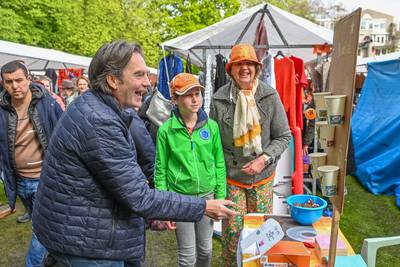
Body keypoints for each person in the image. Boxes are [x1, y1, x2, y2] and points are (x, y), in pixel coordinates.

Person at [32, 40, 237, 267]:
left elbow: (125, 177)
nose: (148, 84)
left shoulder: (100, 108)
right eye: (139, 75)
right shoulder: (99, 121)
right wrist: (203, 206)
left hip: (88, 233)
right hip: (88, 244)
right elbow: (139, 195)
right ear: (113, 80)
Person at [209, 44, 291, 267]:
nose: (244, 68)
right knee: (233, 235)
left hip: (262, 176)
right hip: (232, 177)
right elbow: (214, 144)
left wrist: (264, 159)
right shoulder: (219, 99)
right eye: (239, 64)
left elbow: (283, 136)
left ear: (257, 68)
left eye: (249, 64)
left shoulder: (269, 96)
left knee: (262, 233)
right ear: (231, 70)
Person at [155, 73, 226, 267]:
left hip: (207, 197)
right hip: (180, 199)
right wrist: (165, 205)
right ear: (175, 99)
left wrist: (219, 196)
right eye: (188, 95)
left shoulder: (211, 127)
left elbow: (219, 162)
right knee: (187, 257)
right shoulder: (166, 130)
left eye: (198, 93)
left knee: (206, 250)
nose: (195, 99)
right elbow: (160, 170)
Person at [0, 60, 63, 266]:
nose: (15, 86)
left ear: (29, 79)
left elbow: (63, 135)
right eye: (9, 82)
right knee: (46, 226)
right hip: (18, 181)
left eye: (19, 80)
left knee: (40, 228)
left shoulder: (48, 102)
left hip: (45, 179)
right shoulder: (1, 109)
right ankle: (55, 255)